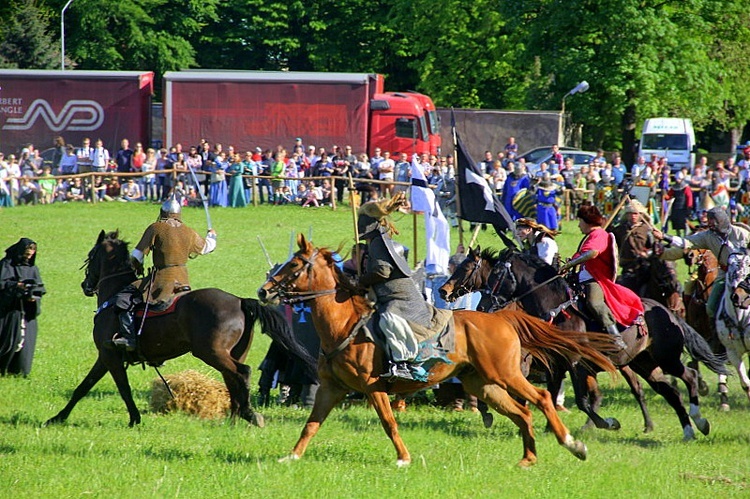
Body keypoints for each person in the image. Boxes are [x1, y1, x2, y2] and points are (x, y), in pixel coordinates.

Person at [110, 198, 217, 351]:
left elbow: (136, 256)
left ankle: (129, 338)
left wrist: (137, 267)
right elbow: (207, 247)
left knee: (123, 298)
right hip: (182, 279)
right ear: (178, 214)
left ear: (162, 213)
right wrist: (211, 236)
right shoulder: (188, 231)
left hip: (161, 279)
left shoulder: (156, 228)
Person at [357, 192, 432, 381]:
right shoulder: (374, 243)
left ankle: (404, 362)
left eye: (363, 220)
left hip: (400, 297)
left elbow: (383, 272)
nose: (359, 224)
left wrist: (362, 280)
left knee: (388, 318)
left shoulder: (379, 243)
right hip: (388, 296)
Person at [559, 204, 644, 349]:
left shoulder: (599, 235)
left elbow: (592, 252)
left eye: (580, 222)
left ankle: (615, 336)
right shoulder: (590, 235)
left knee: (594, 302)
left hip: (595, 279)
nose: (579, 226)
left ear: (587, 221)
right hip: (581, 277)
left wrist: (568, 265)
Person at [654, 206, 750, 325]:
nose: (710, 223)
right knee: (711, 308)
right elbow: (686, 242)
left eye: (713, 220)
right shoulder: (707, 236)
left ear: (721, 220)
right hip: (724, 274)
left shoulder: (741, 234)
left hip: (746, 274)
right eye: (709, 220)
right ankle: (716, 336)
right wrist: (665, 237)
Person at [0, 238, 45, 376]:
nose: (29, 257)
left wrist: (33, 295)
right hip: (8, 312)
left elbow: (40, 288)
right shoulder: (6, 265)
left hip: (27, 312)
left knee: (25, 343)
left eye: (31, 255)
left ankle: (19, 370)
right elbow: (2, 284)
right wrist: (17, 286)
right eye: (26, 254)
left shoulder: (33, 268)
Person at [611, 200, 654, 295]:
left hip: (645, 267)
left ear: (640, 215)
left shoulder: (647, 229)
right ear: (626, 215)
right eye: (630, 213)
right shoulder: (620, 229)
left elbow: (655, 248)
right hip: (628, 268)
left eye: (635, 213)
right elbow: (611, 242)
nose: (633, 216)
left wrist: (646, 254)